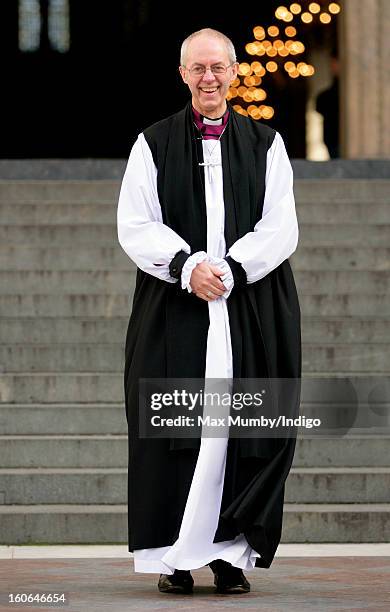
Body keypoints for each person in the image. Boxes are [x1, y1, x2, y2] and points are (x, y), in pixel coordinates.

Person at [117, 28, 301, 595]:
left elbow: (280, 225)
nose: (209, 78)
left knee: (242, 427)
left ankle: (229, 555)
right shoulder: (153, 143)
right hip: (174, 305)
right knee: (176, 426)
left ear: (234, 71)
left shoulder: (266, 143)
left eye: (218, 68)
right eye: (198, 69)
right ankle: (174, 557)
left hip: (250, 306)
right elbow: (136, 222)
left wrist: (233, 268)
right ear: (183, 75)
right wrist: (185, 264)